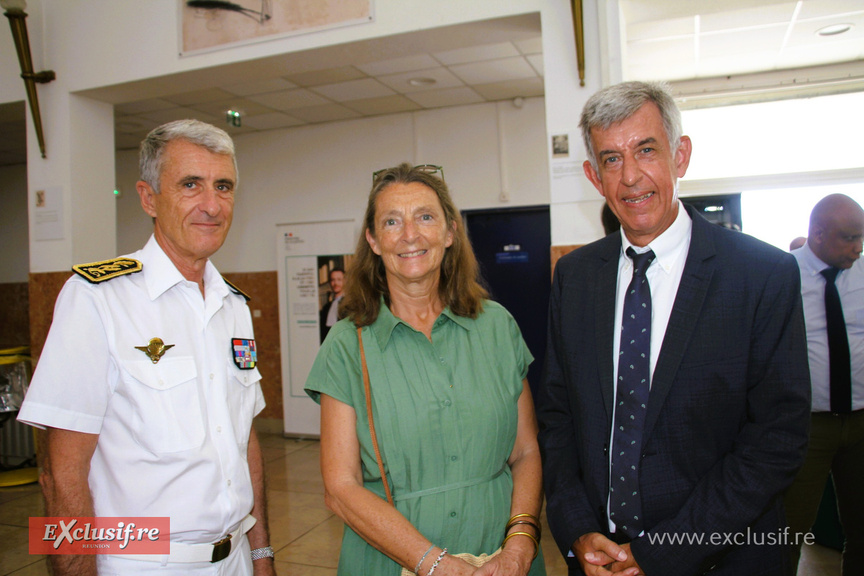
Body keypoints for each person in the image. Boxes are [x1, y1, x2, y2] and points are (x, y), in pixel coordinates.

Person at [536, 81, 811, 576]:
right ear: (593, 177)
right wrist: (577, 529)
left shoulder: (761, 275)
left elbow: (777, 438)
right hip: (599, 560)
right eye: (611, 159)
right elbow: (558, 418)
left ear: (680, 155)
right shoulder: (574, 279)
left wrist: (663, 552)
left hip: (720, 559)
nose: (631, 177)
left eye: (646, 150)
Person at [17, 119, 276, 576]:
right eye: (190, 185)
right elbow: (64, 473)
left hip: (235, 558)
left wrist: (260, 555)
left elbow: (244, 441)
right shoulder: (97, 298)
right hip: (144, 561)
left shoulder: (232, 305)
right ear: (148, 197)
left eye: (224, 186)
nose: (211, 205)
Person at [305, 163, 546, 576]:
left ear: (450, 232)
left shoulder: (497, 326)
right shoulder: (346, 346)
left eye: (425, 217)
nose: (410, 234)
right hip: (390, 561)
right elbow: (340, 489)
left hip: (505, 559)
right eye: (392, 221)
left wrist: (521, 542)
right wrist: (436, 565)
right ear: (373, 240)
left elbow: (525, 451)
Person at [784, 193, 864, 575]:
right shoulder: (782, 274)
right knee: (788, 531)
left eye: (861, 237)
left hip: (862, 421)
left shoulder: (863, 274)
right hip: (808, 426)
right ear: (818, 234)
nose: (857, 247)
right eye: (849, 238)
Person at [320, 267, 345, 342]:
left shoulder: (350, 305)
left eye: (339, 280)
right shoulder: (326, 308)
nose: (336, 283)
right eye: (332, 280)